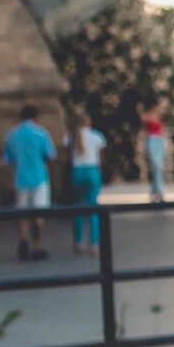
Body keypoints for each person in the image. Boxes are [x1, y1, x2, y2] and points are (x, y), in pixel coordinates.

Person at [2, 104, 56, 263]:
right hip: (39, 177)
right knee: (39, 213)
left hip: (21, 177)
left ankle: (23, 239)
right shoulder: (40, 133)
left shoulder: (12, 134)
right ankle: (37, 246)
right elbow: (50, 155)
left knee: (22, 213)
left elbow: (7, 159)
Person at [67, 109, 106, 257]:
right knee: (93, 207)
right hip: (92, 171)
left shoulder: (70, 137)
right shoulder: (96, 136)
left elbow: (68, 159)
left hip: (77, 171)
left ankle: (78, 241)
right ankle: (94, 242)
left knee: (78, 206)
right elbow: (101, 158)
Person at [137, 95, 170, 203]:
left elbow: (163, 107)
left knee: (159, 167)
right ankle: (157, 192)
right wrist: (140, 109)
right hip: (151, 140)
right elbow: (142, 118)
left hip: (159, 140)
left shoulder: (158, 116)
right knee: (156, 167)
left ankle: (156, 192)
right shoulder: (147, 116)